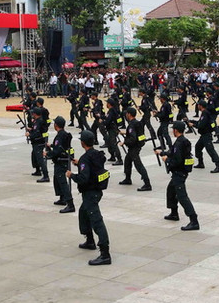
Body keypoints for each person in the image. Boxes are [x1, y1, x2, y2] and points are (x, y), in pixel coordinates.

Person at [68, 130, 111, 265]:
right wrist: (80, 164)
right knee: (83, 213)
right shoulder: (97, 154)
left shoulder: (86, 158)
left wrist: (72, 175)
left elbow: (83, 178)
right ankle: (89, 240)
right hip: (97, 191)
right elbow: (93, 168)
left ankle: (105, 254)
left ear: (82, 143)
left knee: (97, 221)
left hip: (90, 193)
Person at [158, 121, 199, 231]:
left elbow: (177, 160)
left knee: (182, 196)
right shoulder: (183, 141)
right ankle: (174, 213)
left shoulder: (180, 143)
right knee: (171, 190)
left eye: (173, 129)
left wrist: (167, 160)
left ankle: (194, 220)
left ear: (175, 130)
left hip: (179, 173)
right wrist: (163, 153)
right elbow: (174, 153)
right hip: (180, 172)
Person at [46, 116, 75, 213]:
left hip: (61, 161)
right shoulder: (65, 134)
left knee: (62, 182)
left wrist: (48, 154)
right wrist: (52, 145)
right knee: (57, 179)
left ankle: (70, 204)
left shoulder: (59, 136)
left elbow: (57, 151)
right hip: (64, 160)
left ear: (56, 125)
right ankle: (62, 198)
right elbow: (61, 146)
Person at [121, 107, 152, 191]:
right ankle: (127, 179)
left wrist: (125, 142)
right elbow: (138, 135)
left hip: (134, 148)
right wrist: (126, 133)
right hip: (138, 145)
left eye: (126, 113)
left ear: (129, 114)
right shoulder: (138, 123)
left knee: (139, 165)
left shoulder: (131, 125)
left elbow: (133, 138)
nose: (126, 115)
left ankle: (147, 184)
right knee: (127, 161)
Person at [192, 101, 219, 174]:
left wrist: (193, 125)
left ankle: (218, 166)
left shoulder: (205, 113)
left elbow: (201, 125)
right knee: (198, 147)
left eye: (198, 105)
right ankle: (201, 163)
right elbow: (200, 122)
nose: (197, 106)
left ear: (201, 106)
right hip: (203, 136)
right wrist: (192, 121)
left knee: (211, 150)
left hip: (206, 135)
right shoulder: (204, 113)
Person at [27, 107, 50, 181]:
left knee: (40, 160)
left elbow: (37, 133)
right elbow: (36, 130)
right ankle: (38, 171)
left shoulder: (39, 122)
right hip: (36, 142)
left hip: (38, 142)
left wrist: (30, 135)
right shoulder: (37, 121)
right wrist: (31, 130)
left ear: (35, 114)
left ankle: (46, 176)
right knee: (34, 156)